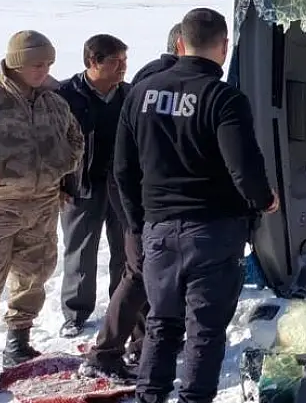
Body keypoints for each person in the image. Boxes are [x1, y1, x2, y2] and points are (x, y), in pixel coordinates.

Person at [114, 8, 278, 403]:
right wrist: (264, 201)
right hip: (213, 232)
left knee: (162, 325)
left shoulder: (140, 93)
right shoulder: (222, 98)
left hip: (158, 230)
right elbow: (244, 166)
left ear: (181, 44)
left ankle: (149, 398)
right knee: (204, 330)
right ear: (224, 47)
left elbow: (122, 168)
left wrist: (140, 222)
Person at [79, 24, 187, 381]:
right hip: (136, 189)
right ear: (184, 45)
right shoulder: (163, 80)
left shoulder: (151, 77)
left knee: (144, 269)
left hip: (140, 188)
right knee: (140, 270)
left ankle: (141, 343)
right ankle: (106, 353)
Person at [0, 31, 85, 391]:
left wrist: (63, 168)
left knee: (33, 275)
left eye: (49, 64)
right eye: (39, 64)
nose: (46, 71)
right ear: (17, 62)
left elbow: (75, 137)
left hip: (41, 206)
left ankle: (18, 345)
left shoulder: (53, 102)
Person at [57, 34, 131, 338]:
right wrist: (60, 182)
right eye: (116, 61)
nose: (123, 68)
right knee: (80, 251)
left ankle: (122, 305)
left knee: (125, 249)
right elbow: (53, 145)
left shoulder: (129, 94)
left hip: (121, 186)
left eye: (125, 60)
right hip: (80, 185)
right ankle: (75, 312)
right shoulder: (65, 96)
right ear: (92, 62)